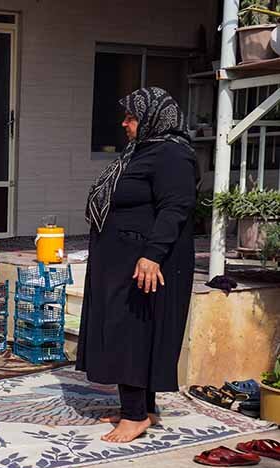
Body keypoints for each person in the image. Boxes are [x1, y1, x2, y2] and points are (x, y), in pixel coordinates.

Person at [77, 87, 197, 444]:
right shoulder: (142, 150)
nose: (124, 123)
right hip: (123, 259)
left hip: (145, 260)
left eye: (131, 117)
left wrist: (152, 254)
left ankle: (134, 416)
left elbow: (176, 206)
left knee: (128, 333)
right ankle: (144, 409)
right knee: (135, 331)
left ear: (152, 119)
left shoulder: (172, 154)